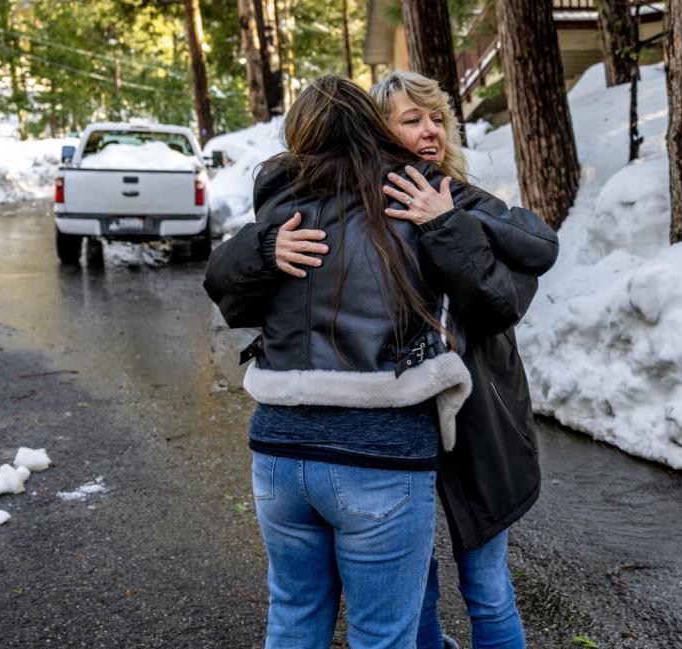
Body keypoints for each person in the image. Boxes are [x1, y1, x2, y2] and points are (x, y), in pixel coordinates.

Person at [203, 75, 489, 649]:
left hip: (280, 450)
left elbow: (225, 295)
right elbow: (496, 294)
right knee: (382, 634)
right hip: (380, 449)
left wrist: (260, 247)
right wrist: (446, 225)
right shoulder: (416, 196)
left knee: (294, 614)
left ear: (300, 134)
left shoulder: (279, 206)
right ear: (371, 125)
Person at [371, 71, 558, 649]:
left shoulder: (462, 198)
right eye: (411, 120)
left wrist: (446, 222)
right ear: (378, 131)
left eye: (435, 118)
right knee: (413, 579)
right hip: (400, 418)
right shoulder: (362, 209)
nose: (430, 130)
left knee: (486, 581)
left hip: (480, 418)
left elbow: (511, 285)